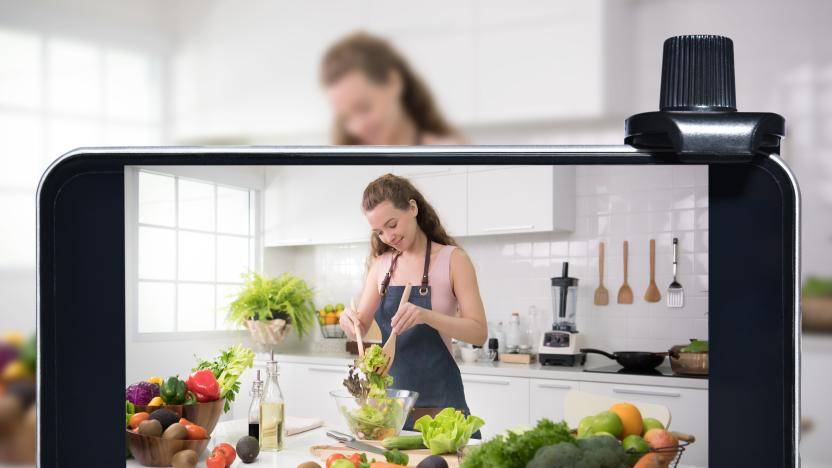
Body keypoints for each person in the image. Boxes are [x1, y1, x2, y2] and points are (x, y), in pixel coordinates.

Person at [339, 174, 487, 433]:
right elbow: (359, 328)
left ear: (413, 208)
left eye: (392, 224)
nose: (388, 237)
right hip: (390, 408)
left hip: (442, 407)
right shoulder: (381, 265)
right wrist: (348, 322)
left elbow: (478, 333)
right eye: (379, 232)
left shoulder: (453, 260)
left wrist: (426, 316)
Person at [320, 31, 464, 145]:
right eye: (345, 118)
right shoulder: (341, 167)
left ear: (393, 82)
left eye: (364, 108)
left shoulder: (452, 157)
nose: (357, 127)